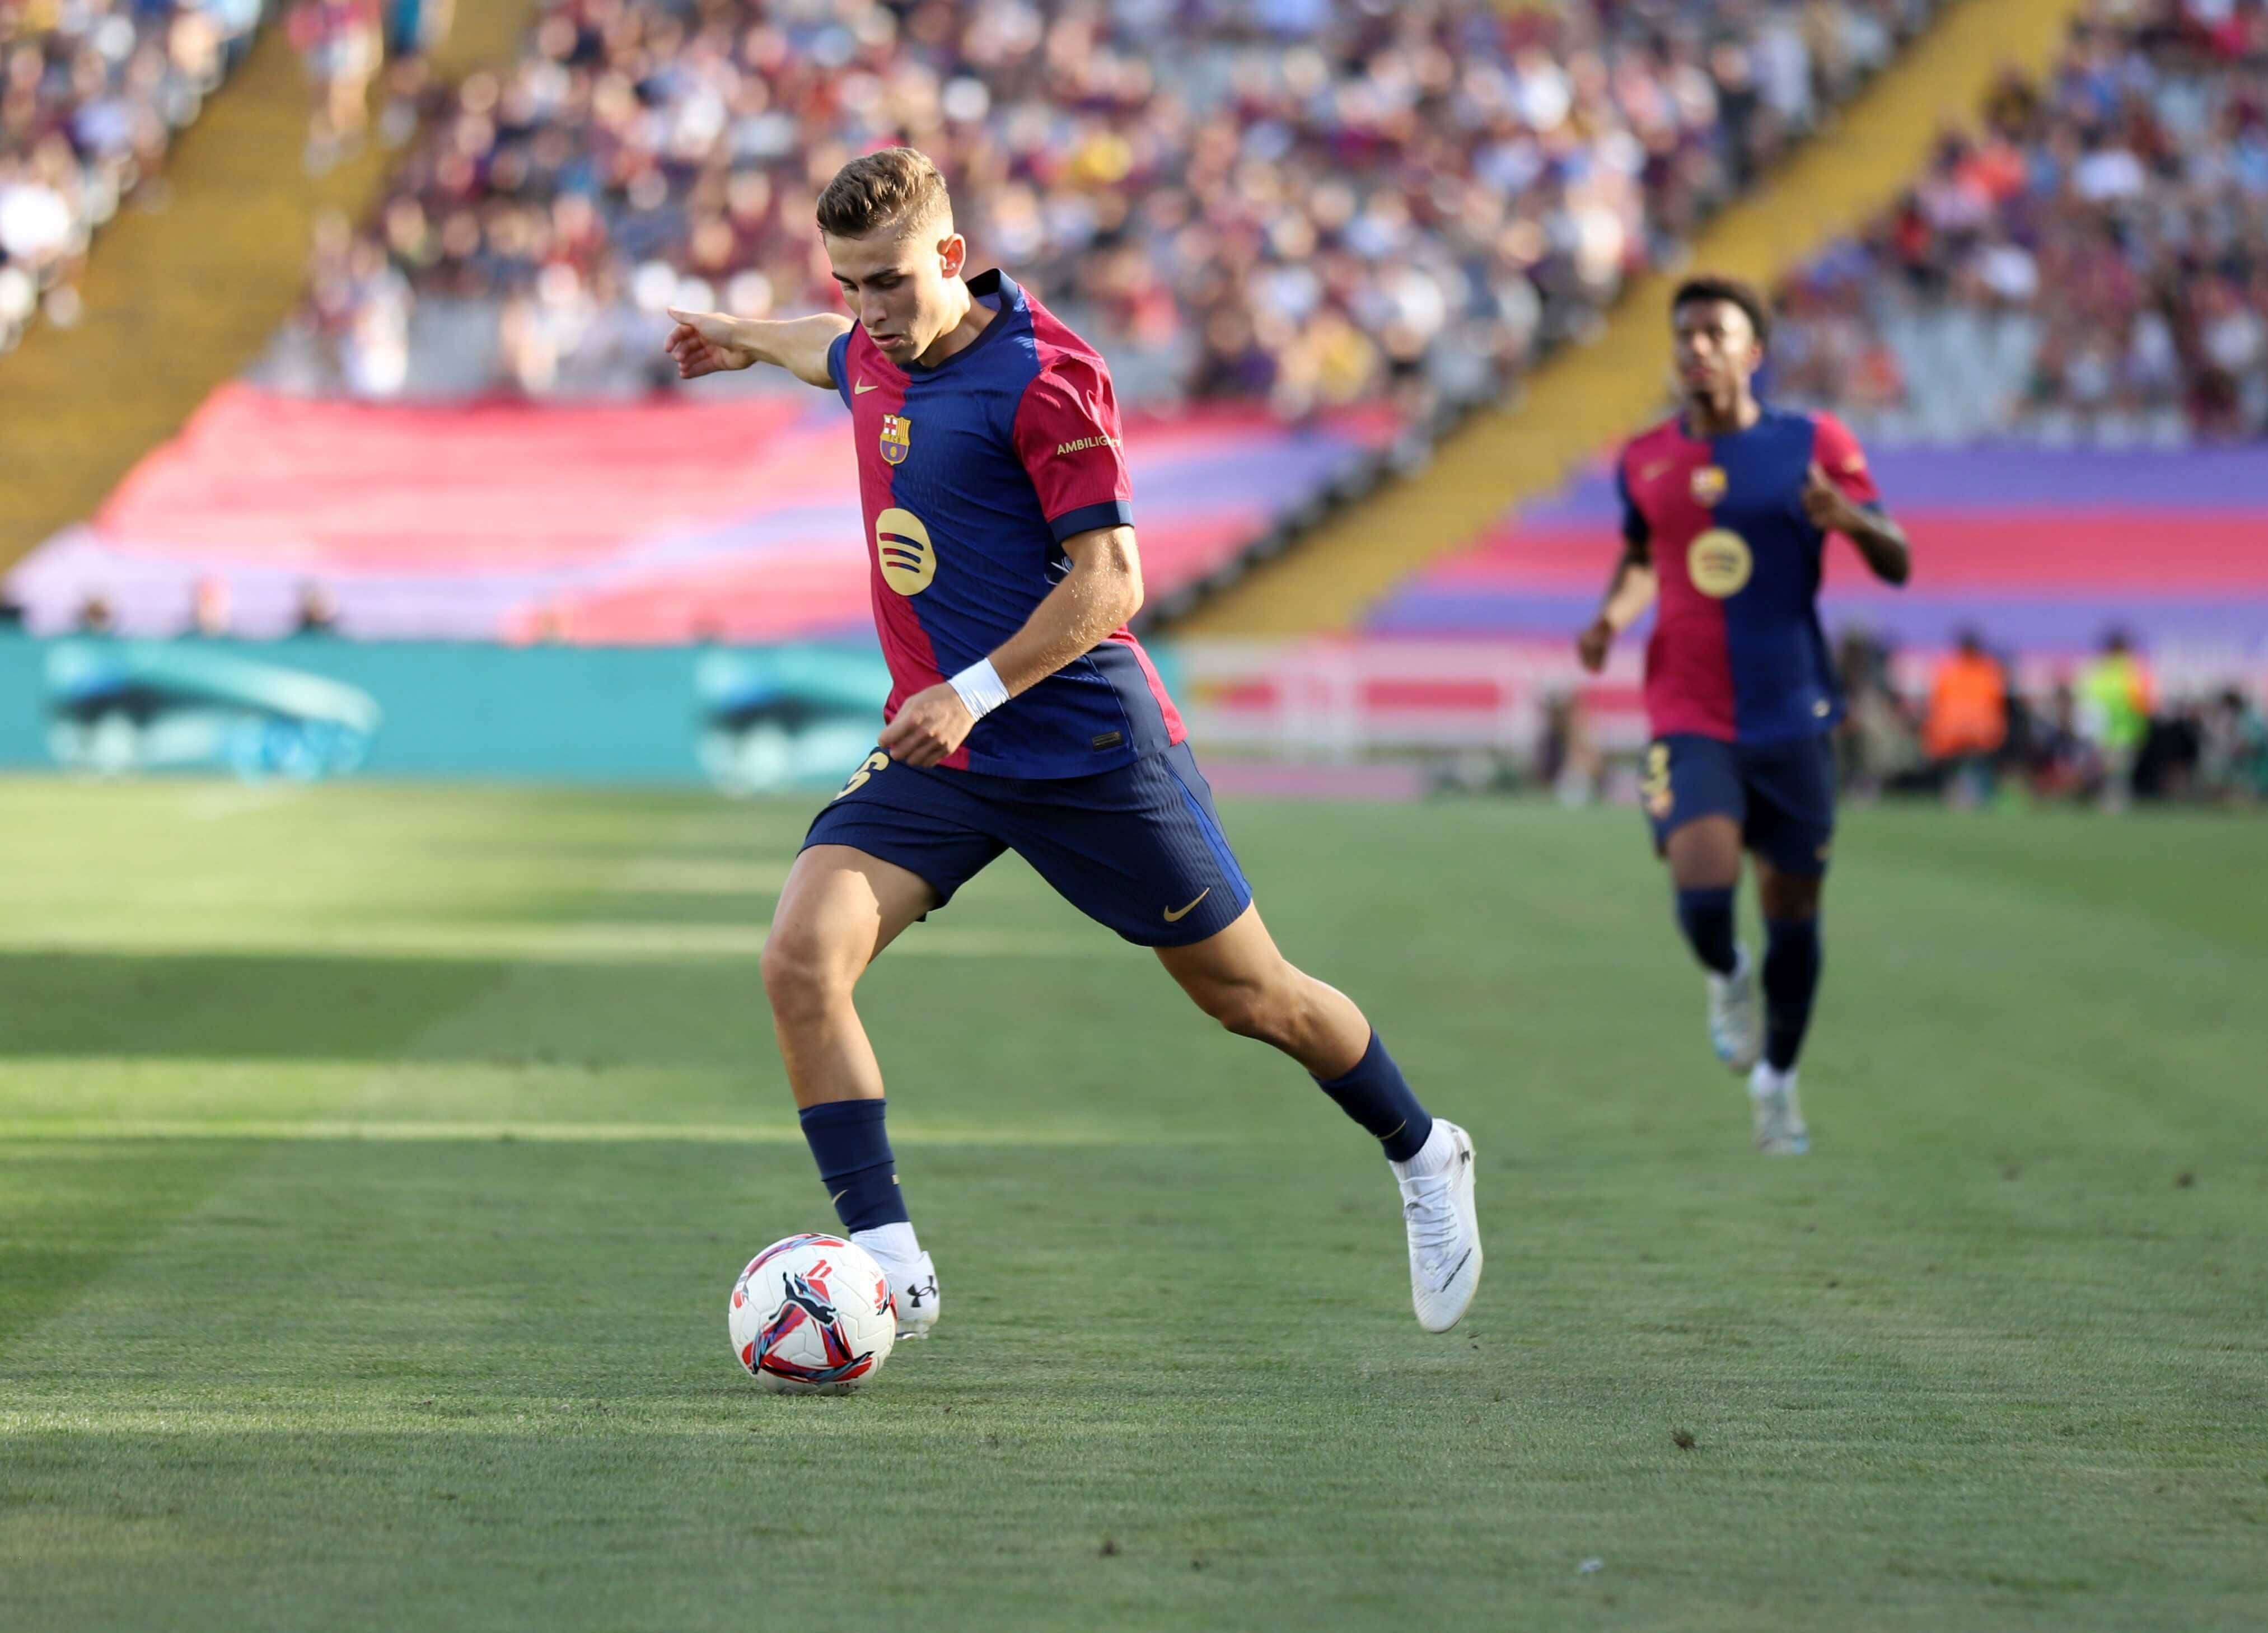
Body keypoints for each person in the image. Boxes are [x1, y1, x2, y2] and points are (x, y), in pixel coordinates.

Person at [663, 148, 1481, 1339]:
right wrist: (740, 335)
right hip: (948, 758)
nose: (870, 310)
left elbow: (1113, 582)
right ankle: (890, 1264)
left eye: (890, 281)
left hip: (1083, 742)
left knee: (1252, 996)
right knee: (800, 960)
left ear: (952, 257)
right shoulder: (872, 351)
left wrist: (972, 692)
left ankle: (1422, 1149)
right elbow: (823, 349)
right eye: (850, 283)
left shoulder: (1046, 376)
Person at [1576, 275, 1911, 1154]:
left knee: (1792, 909)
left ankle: (1777, 1084)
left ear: (1751, 352)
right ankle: (1727, 971)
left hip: (1792, 713)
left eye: (1713, 334)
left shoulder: (1812, 442)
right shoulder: (1644, 458)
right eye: (1683, 334)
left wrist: (1848, 519)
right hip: (1687, 709)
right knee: (1702, 889)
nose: (1694, 348)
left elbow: (1897, 559)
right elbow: (1643, 557)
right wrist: (1611, 616)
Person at [1922, 628, 2008, 806]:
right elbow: (1998, 704)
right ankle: (1978, 794)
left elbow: (1935, 703)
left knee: (1960, 758)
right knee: (1978, 758)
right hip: (1978, 733)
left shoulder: (1949, 670)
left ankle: (1956, 792)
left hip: (1953, 733)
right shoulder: (1988, 671)